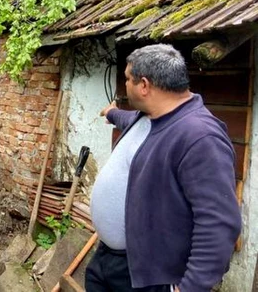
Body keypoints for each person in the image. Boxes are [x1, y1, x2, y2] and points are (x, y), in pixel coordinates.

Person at [86, 44, 241, 292]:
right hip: (110, 261)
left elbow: (219, 223)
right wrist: (113, 113)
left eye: (127, 79)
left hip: (149, 276)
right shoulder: (150, 115)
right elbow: (129, 120)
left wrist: (189, 288)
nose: (125, 85)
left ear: (144, 85)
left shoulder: (200, 137)